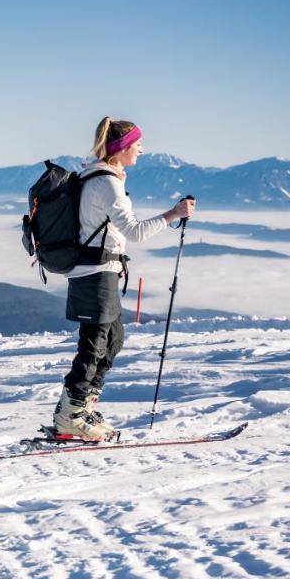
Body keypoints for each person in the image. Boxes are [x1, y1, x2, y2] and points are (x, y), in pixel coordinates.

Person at [53, 118, 195, 440]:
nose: (142, 150)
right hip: (94, 274)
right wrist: (173, 214)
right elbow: (134, 231)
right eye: (138, 144)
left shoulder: (103, 177)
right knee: (93, 346)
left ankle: (82, 409)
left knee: (112, 340)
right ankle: (70, 416)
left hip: (101, 272)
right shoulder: (107, 183)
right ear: (122, 147)